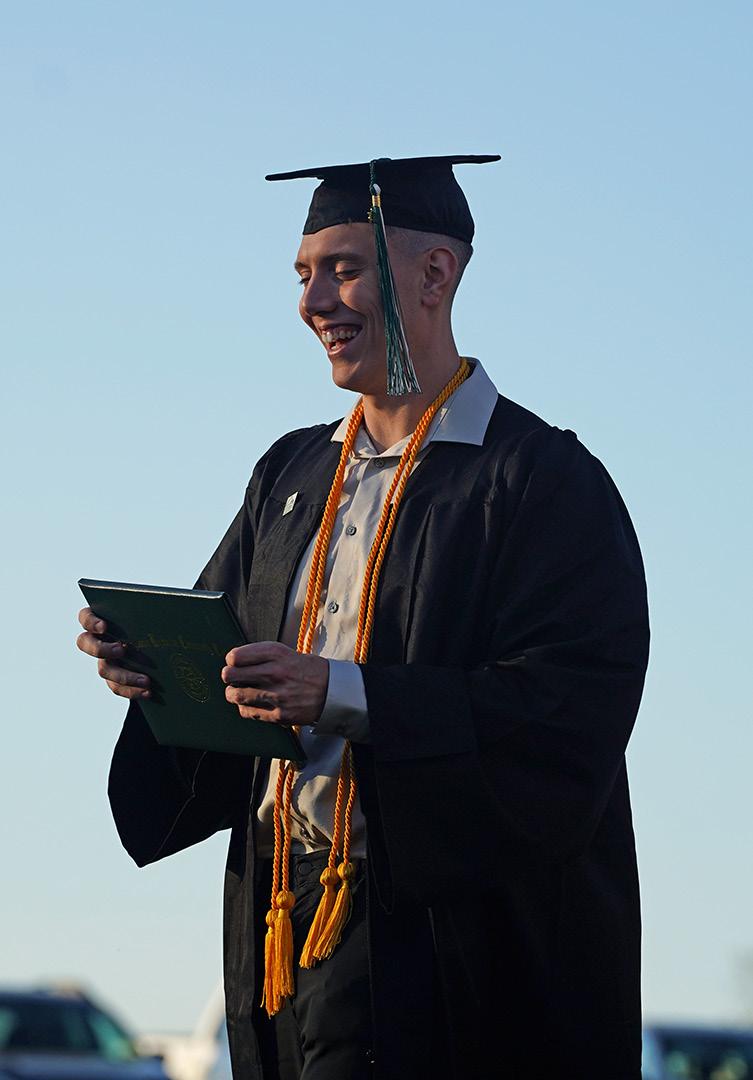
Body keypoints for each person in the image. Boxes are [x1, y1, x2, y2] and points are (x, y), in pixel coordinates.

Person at [76, 156, 649, 1080]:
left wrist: (342, 693)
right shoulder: (291, 474)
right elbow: (227, 660)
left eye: (342, 269)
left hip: (438, 941)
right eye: (303, 275)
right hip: (279, 915)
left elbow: (568, 710)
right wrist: (149, 664)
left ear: (435, 274)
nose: (314, 302)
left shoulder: (536, 480)